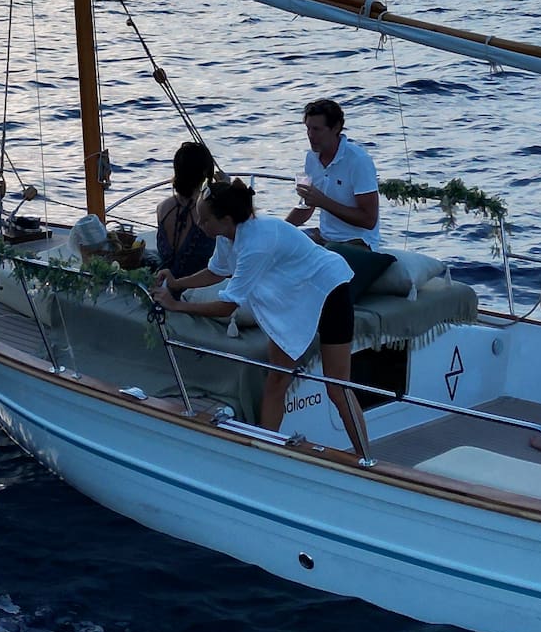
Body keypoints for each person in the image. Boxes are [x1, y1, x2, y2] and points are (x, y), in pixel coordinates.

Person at [155, 177, 372, 457]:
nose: (199, 224)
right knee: (276, 380)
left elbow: (227, 306)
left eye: (205, 220)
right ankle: (266, 452)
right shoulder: (226, 236)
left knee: (337, 386)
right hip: (295, 298)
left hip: (329, 289)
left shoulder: (255, 243)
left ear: (227, 219)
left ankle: (367, 458)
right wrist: (177, 283)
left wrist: (177, 306)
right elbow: (216, 272)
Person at [288, 97, 382, 248]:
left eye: (317, 129)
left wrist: (323, 202)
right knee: (279, 245)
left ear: (336, 128)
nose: (310, 135)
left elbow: (369, 220)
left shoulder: (358, 161)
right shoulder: (311, 158)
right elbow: (307, 207)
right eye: (308, 128)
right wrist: (278, 230)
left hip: (358, 243)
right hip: (325, 237)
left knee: (325, 254)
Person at [153, 139, 216, 282]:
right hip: (195, 288)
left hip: (164, 283)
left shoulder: (162, 208)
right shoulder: (209, 211)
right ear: (205, 172)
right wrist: (226, 187)